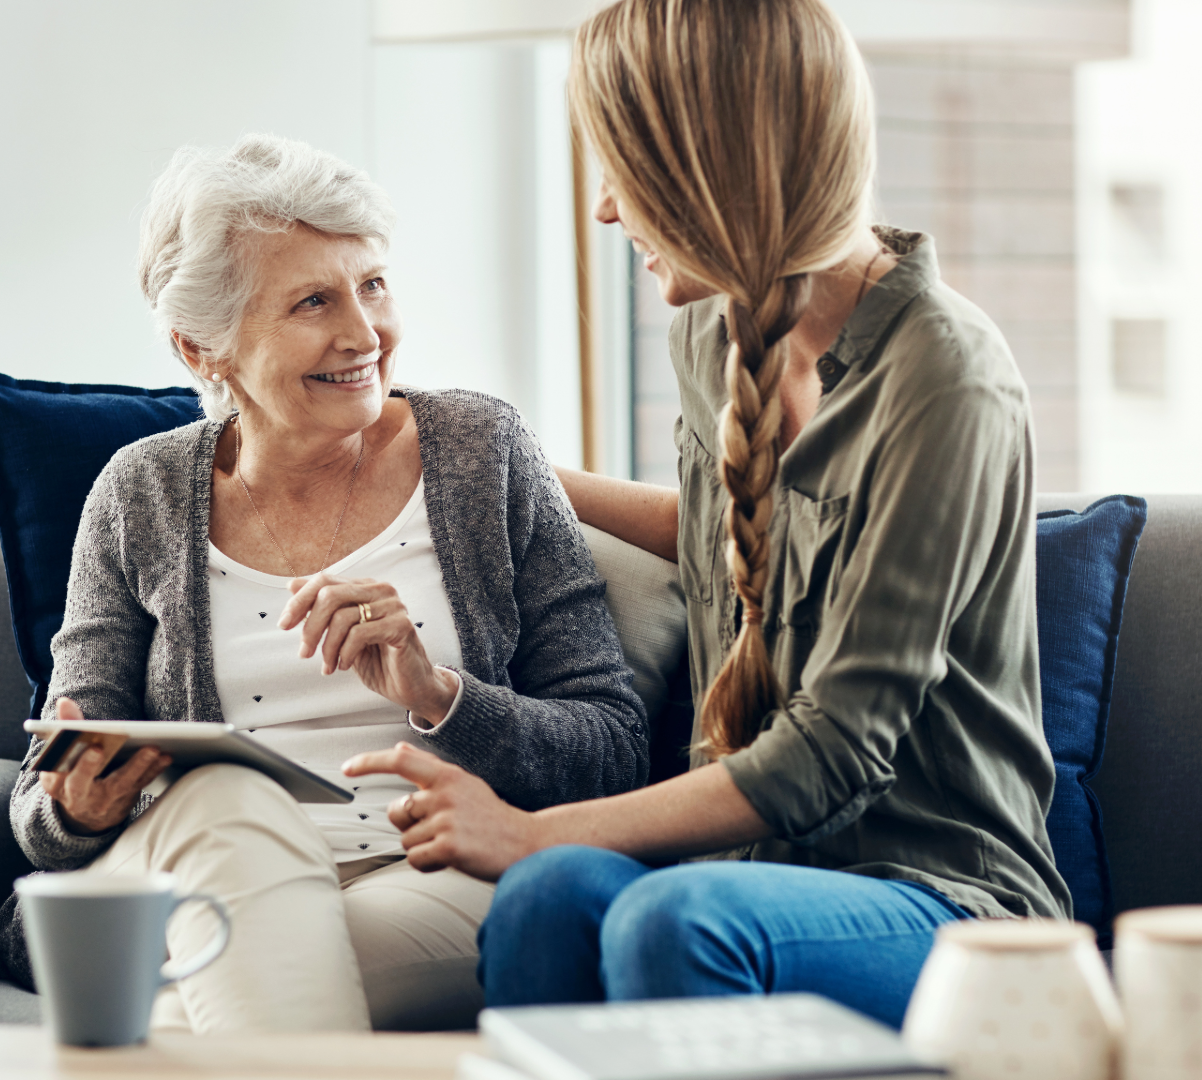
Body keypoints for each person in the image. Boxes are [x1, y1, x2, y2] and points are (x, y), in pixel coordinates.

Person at [344, 0, 1072, 1029]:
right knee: (553, 904)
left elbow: (836, 750)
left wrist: (534, 830)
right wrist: (501, 468)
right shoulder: (711, 338)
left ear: (712, 166)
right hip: (736, 871)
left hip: (943, 900)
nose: (605, 212)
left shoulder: (944, 376)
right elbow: (716, 539)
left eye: (624, 171)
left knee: (666, 919)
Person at [0, 133, 649, 1034]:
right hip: (191, 868)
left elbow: (614, 747)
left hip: (419, 875)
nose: (363, 333)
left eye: (373, 284)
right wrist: (75, 805)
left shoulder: (481, 450)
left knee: (206, 1000)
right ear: (201, 349)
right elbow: (45, 791)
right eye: (312, 301)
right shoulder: (136, 493)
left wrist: (440, 694)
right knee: (224, 800)